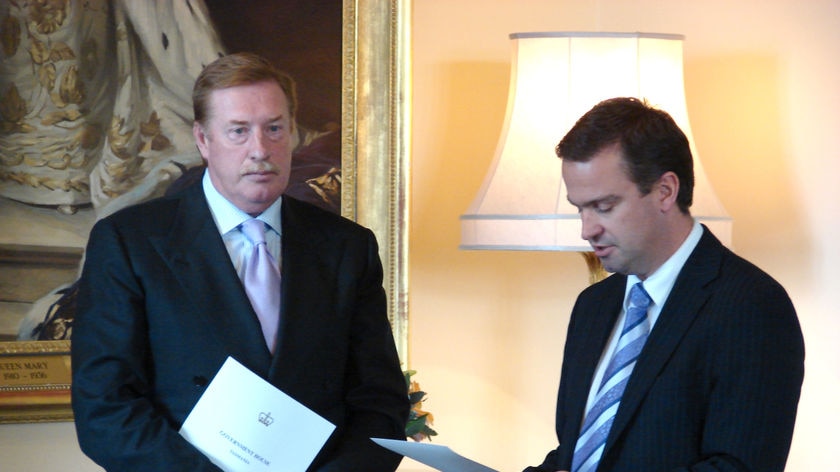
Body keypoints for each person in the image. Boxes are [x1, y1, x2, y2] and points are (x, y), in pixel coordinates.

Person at [71, 52, 409, 471]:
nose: (260, 150)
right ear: (202, 140)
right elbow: (104, 408)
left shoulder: (347, 247)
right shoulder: (129, 242)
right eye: (238, 131)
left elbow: (380, 401)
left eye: (274, 129)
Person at [524, 97, 804, 472]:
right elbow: (577, 455)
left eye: (604, 207)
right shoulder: (593, 305)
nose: (587, 229)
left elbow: (738, 467)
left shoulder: (752, 305)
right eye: (580, 208)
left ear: (665, 191)